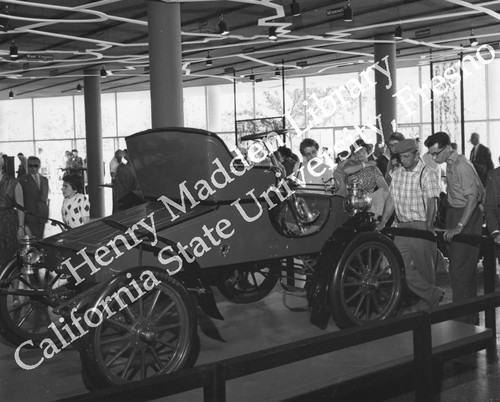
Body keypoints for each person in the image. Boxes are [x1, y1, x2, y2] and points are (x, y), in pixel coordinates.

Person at [376, 139, 443, 311]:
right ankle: (432, 295)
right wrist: (383, 222)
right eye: (401, 157)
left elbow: (431, 202)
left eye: (406, 156)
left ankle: (429, 301)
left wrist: (428, 225)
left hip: (421, 227)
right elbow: (391, 200)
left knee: (425, 269)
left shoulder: (427, 173)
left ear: (416, 154)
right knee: (400, 267)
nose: (403, 160)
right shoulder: (397, 173)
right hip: (402, 227)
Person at [424, 132, 484, 324]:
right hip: (455, 212)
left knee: (461, 270)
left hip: (465, 216)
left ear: (448, 148)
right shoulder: (450, 163)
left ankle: (465, 320)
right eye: (431, 154)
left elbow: (473, 199)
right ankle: (468, 316)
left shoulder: (461, 166)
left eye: (436, 153)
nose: (434, 158)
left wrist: (459, 226)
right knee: (460, 269)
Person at [345, 139, 389, 218]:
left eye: (361, 150)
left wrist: (372, 199)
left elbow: (385, 191)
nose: (358, 153)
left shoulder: (374, 169)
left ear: (367, 151)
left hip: (368, 208)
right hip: (349, 207)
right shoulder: (350, 166)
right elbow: (346, 170)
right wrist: (365, 164)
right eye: (356, 151)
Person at [0, 154, 27, 267]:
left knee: (11, 257)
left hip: (8, 223)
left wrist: (21, 227)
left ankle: (12, 282)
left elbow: (21, 207)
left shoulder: (14, 183)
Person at [19, 156, 49, 239]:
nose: (33, 168)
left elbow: (44, 196)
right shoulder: (22, 180)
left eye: (35, 165)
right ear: (27, 166)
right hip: (30, 215)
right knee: (33, 239)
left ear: (39, 166)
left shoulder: (45, 180)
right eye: (30, 165)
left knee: (41, 237)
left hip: (42, 214)